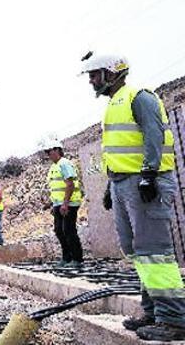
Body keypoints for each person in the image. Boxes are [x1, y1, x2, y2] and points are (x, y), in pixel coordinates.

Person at [82, 52, 185, 341]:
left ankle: (174, 319)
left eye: (95, 74)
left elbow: (155, 136)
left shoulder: (139, 97)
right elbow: (121, 150)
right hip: (124, 184)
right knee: (138, 251)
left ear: (113, 72)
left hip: (145, 183)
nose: (91, 80)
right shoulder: (114, 104)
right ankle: (153, 312)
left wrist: (150, 174)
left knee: (155, 252)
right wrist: (110, 186)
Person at [41, 138, 84, 267]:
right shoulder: (54, 167)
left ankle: (77, 259)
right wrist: (51, 203)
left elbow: (69, 184)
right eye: (47, 152)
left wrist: (65, 204)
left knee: (68, 230)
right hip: (58, 203)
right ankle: (67, 257)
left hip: (69, 203)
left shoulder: (64, 163)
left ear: (57, 150)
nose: (48, 155)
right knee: (59, 230)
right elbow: (57, 187)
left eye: (50, 151)